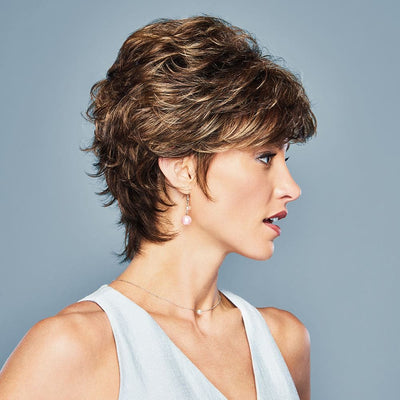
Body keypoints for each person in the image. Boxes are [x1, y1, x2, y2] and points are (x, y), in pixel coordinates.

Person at [0, 15, 316, 400]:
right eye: (264, 157)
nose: (291, 188)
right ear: (182, 169)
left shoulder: (283, 342)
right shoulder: (73, 348)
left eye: (285, 157)